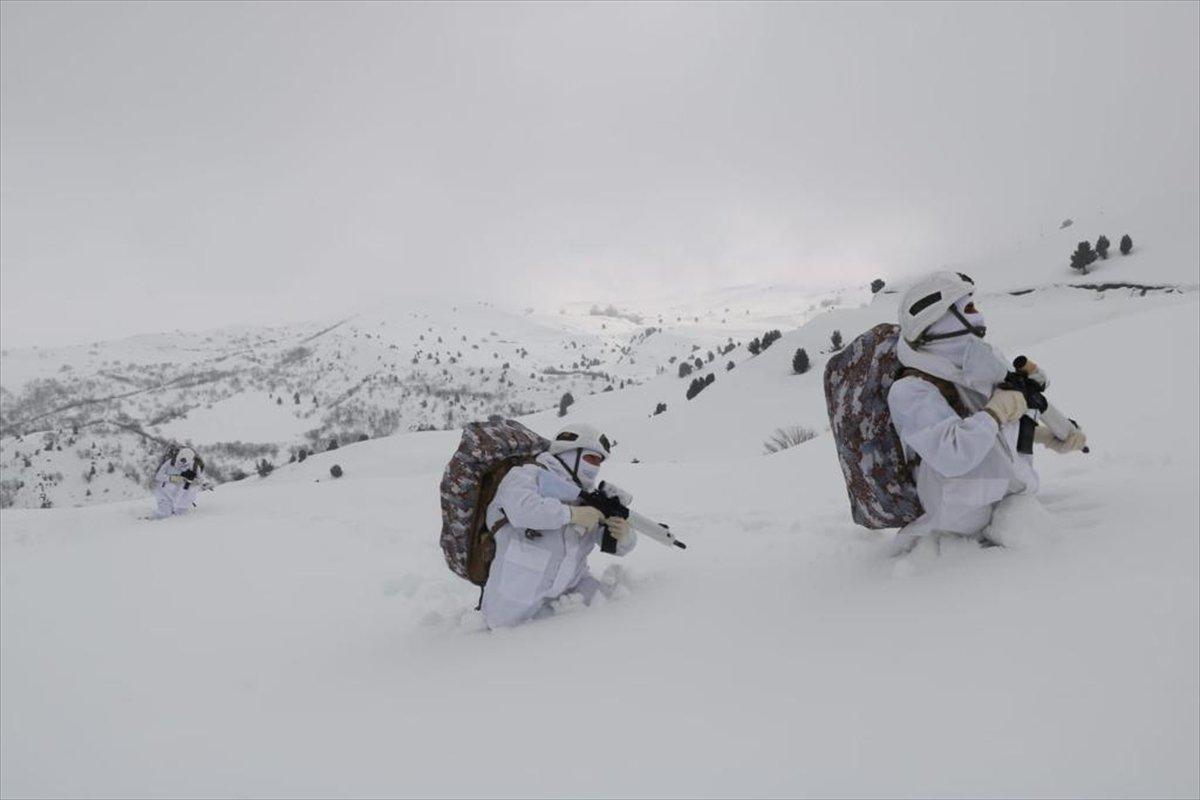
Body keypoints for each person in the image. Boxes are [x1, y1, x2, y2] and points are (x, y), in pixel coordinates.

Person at [887, 272, 1087, 550]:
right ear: (939, 318)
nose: (978, 315)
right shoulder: (910, 390)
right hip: (960, 516)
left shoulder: (973, 362)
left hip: (1003, 494)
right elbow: (953, 453)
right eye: (968, 308)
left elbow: (993, 427)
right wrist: (996, 411)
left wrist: (1039, 436)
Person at [481, 423, 636, 628]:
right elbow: (522, 510)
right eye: (591, 458)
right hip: (511, 610)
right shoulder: (526, 475)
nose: (595, 467)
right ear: (569, 453)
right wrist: (571, 514)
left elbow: (613, 545)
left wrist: (624, 535)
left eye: (599, 462)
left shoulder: (587, 497)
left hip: (568, 601)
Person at [151, 446, 207, 518]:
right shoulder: (170, 463)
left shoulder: (195, 467)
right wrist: (173, 478)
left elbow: (200, 481)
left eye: (185, 463)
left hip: (184, 496)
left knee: (180, 517)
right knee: (164, 515)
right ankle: (150, 522)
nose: (181, 464)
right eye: (180, 461)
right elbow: (158, 476)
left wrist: (191, 480)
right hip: (165, 493)